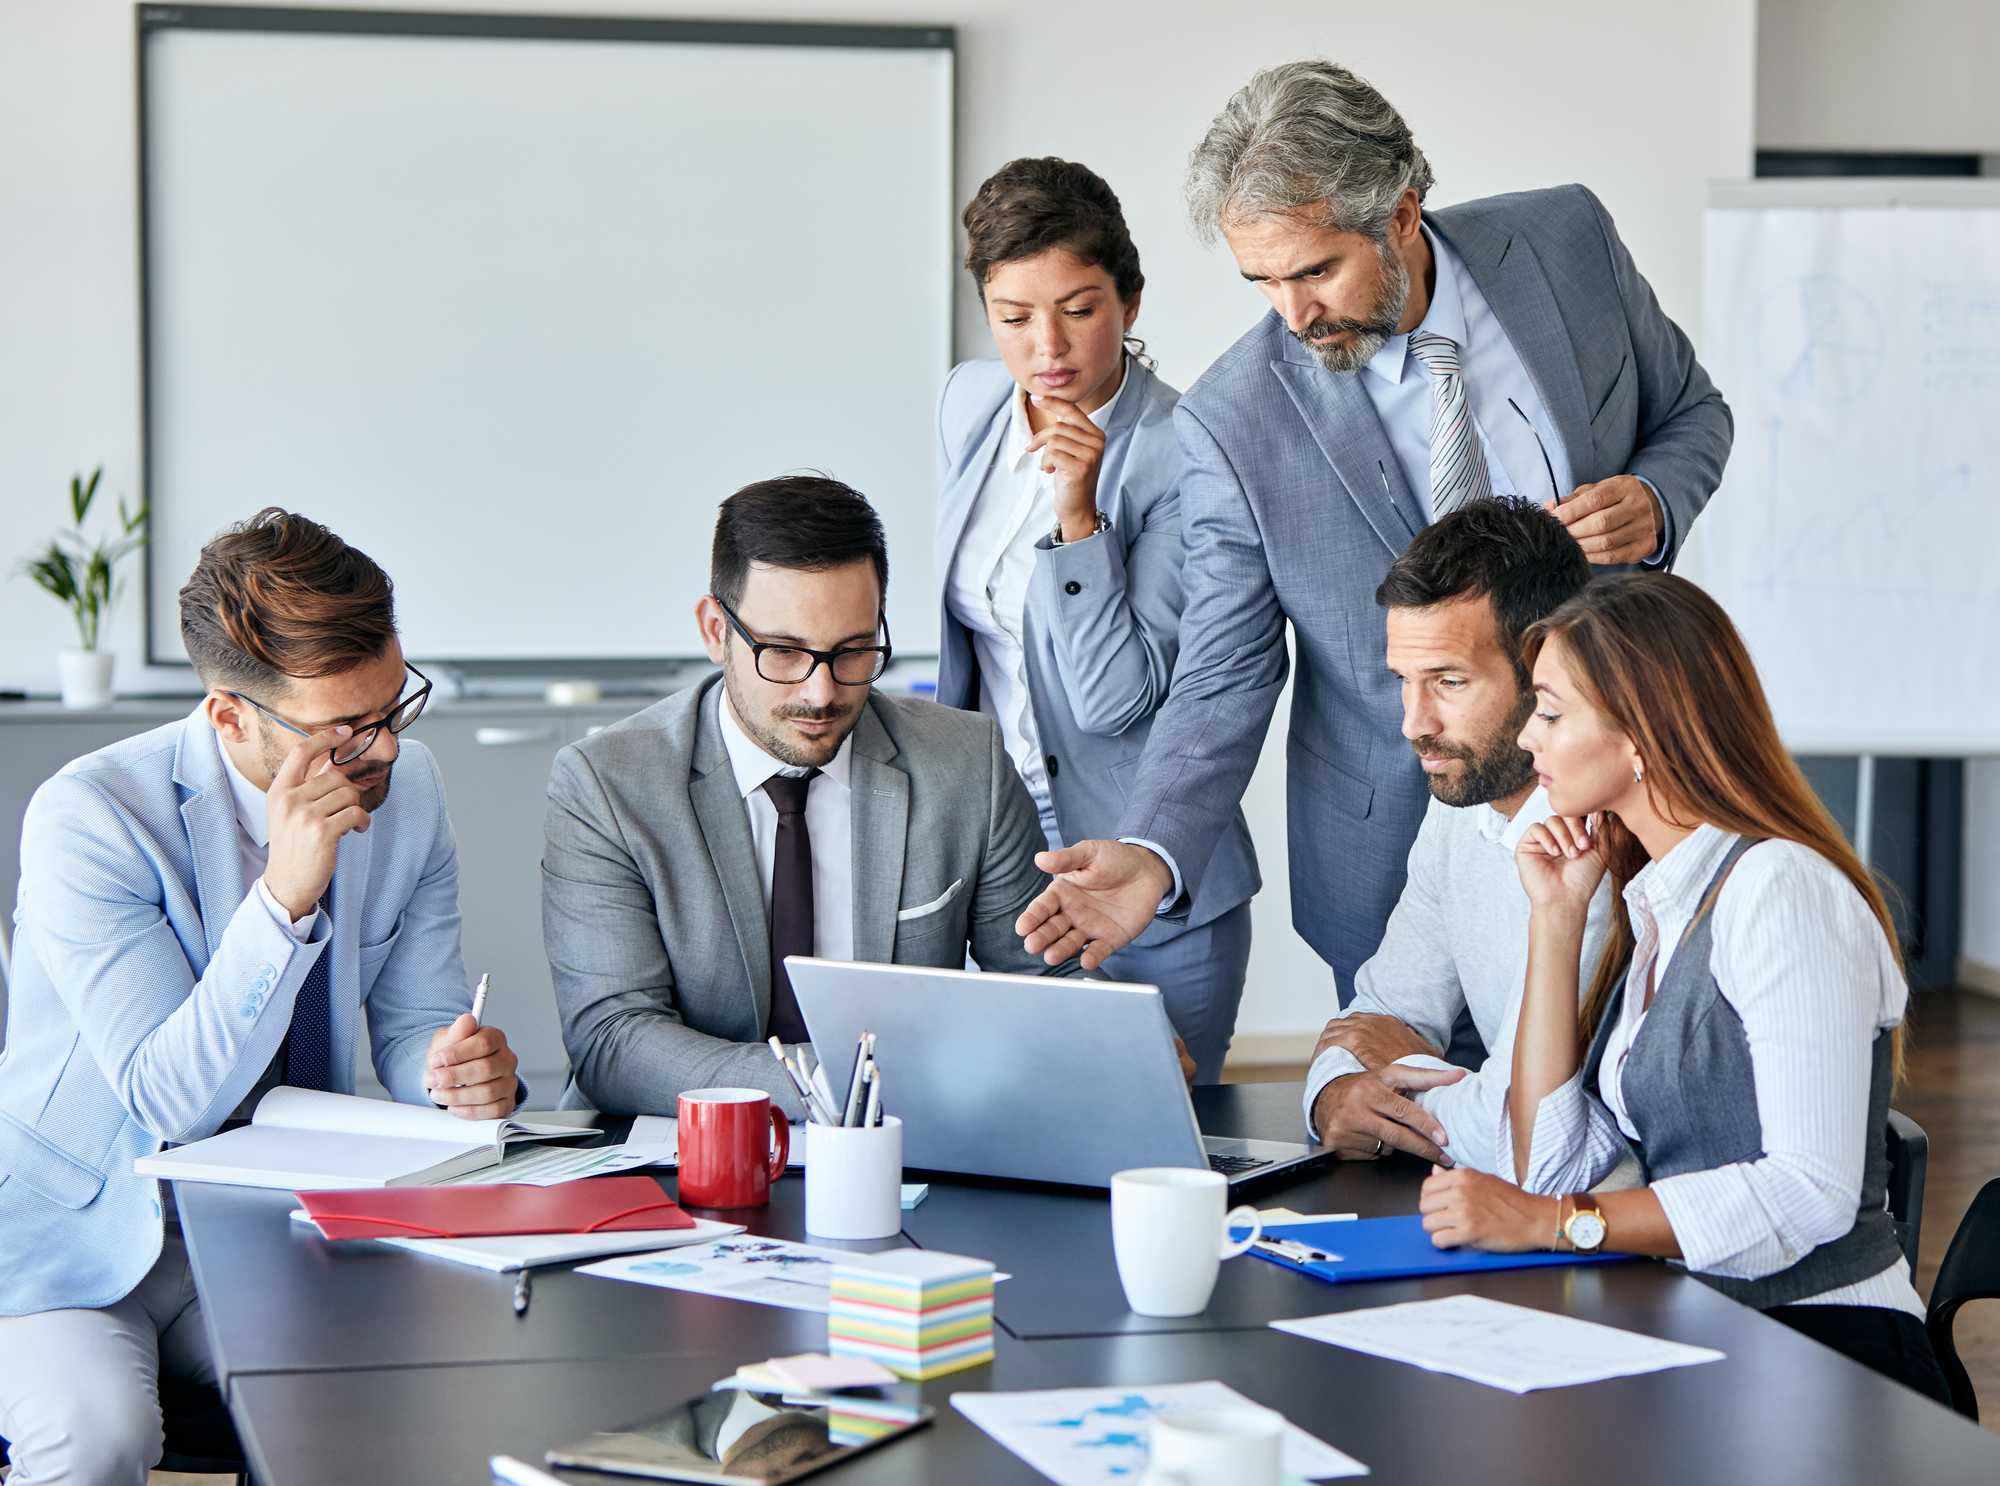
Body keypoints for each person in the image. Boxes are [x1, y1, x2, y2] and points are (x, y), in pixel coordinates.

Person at [1015, 60, 1732, 1015]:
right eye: (1262, 281)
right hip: (1400, 840)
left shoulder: (1567, 241)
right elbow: (1223, 670)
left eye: (1315, 270)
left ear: (1400, 212)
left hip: (1643, 789)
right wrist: (1153, 850)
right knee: (1416, 1128)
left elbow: (1693, 411)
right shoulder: (1235, 420)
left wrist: (1655, 496)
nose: (1293, 315)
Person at [0, 509, 521, 1482]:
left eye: (395, 703)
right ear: (231, 715)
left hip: (263, 1227)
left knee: (376, 1395)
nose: (385, 751)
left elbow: (411, 1022)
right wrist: (284, 896)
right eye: (345, 729)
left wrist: (449, 1072)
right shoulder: (92, 816)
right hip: (67, 1239)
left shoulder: (408, 789)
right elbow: (168, 1097)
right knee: (99, 1435)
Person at [1417, 573, 1951, 1401]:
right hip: (1700, 1325)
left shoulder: (1779, 891)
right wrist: (1554, 924)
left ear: (1641, 735)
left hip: (1831, 1351)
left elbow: (1808, 1191)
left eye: (1551, 713)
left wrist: (1554, 1228)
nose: (1528, 740)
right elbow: (1548, 1171)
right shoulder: (1659, 901)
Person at [544, 476, 1092, 1120]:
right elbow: (613, 1041)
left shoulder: (966, 765)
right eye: (783, 652)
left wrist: (1111, 1046)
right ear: (715, 629)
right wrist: (840, 1085)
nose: (821, 692)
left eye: (853, 651)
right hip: (677, 1154)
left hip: (901, 1148)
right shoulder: (607, 783)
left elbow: (1043, 984)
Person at [937, 157, 1257, 1082]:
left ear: (1131, 299)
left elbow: (1117, 699)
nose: (1048, 347)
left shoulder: (1188, 450)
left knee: (1153, 1149)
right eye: (1014, 316)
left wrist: (1079, 518)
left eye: (1079, 308)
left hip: (1138, 866)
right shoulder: (969, 405)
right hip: (994, 862)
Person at [1305, 499, 1614, 1175]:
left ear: (1546, 667)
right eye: (1403, 684)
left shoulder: (1598, 848)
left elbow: (1525, 1140)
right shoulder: (1458, 802)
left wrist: (1401, 1066)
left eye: (1448, 682)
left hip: (1608, 1236)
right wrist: (1335, 1095)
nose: (1414, 724)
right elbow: (1376, 1013)